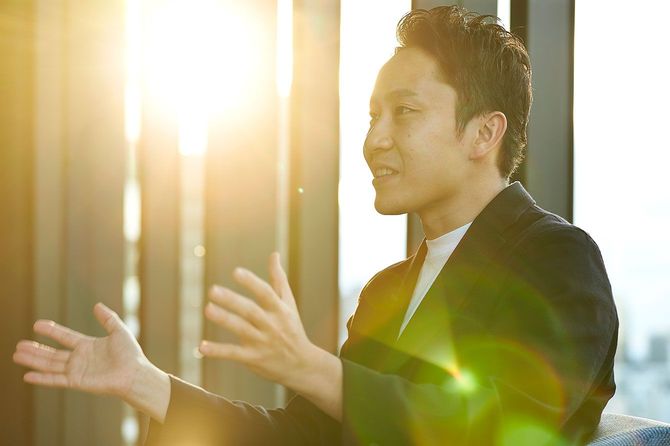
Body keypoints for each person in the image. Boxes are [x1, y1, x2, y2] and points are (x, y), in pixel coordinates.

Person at [13, 6, 618, 445]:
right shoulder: (387, 291)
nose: (374, 140)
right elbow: (301, 437)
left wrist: (313, 367)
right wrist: (146, 384)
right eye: (372, 116)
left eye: (404, 112)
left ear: (484, 132)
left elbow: (498, 428)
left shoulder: (557, 258)